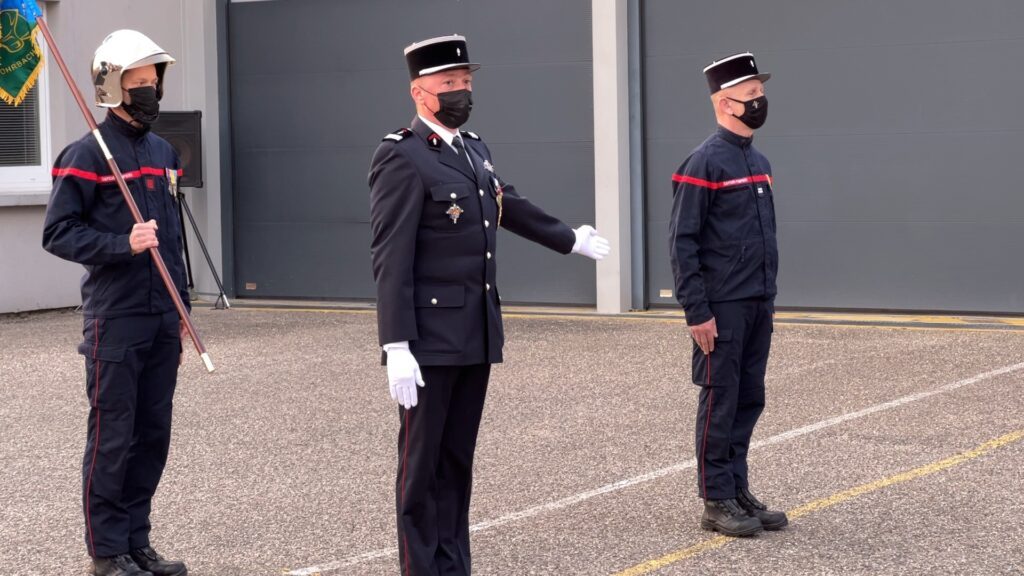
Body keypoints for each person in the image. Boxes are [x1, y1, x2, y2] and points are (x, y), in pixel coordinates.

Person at [368, 34, 610, 575]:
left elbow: (507, 205)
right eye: (449, 83)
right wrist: (396, 342)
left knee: (456, 461)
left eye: (466, 81)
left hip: (475, 330)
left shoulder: (474, 148)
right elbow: (390, 254)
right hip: (429, 337)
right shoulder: (401, 156)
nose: (461, 91)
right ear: (419, 91)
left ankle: (454, 565)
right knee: (421, 465)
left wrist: (567, 238)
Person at [42, 29, 190, 576]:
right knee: (114, 437)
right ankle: (107, 554)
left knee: (153, 435)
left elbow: (171, 242)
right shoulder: (84, 154)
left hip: (160, 316)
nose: (151, 91)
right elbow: (57, 233)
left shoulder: (163, 152)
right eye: (139, 82)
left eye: (155, 81)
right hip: (115, 318)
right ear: (111, 86)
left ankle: (137, 541)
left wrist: (182, 314)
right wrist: (119, 244)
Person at [668, 52, 788, 537]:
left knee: (748, 398)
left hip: (757, 302)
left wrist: (768, 296)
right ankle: (715, 498)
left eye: (761, 92)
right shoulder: (703, 162)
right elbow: (682, 241)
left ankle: (737, 488)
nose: (760, 101)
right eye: (752, 95)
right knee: (720, 400)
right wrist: (697, 311)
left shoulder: (758, 161)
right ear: (725, 103)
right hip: (721, 308)